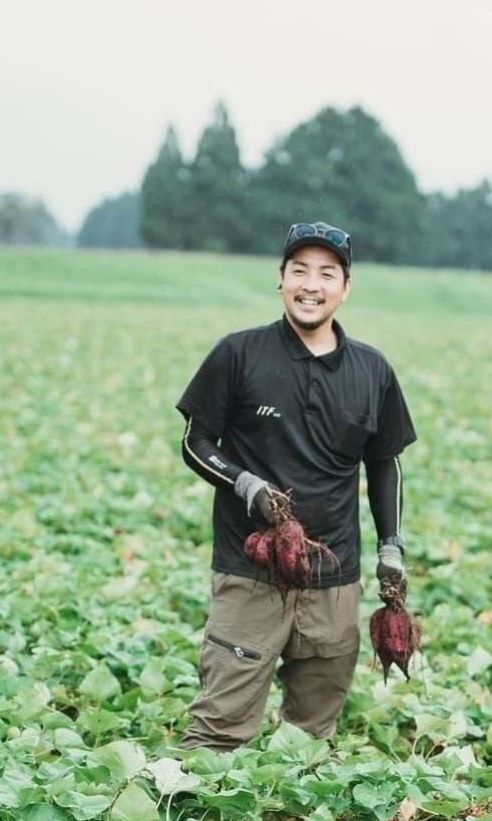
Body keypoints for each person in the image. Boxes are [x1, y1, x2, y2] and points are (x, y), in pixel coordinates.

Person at [175, 220, 417, 751]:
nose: (312, 284)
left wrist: (391, 547)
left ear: (345, 287)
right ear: (280, 279)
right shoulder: (239, 354)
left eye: (327, 273)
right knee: (218, 730)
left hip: (334, 578)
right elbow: (196, 441)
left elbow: (384, 463)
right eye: (300, 271)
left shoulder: (372, 370)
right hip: (250, 572)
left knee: (311, 736)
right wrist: (246, 485)